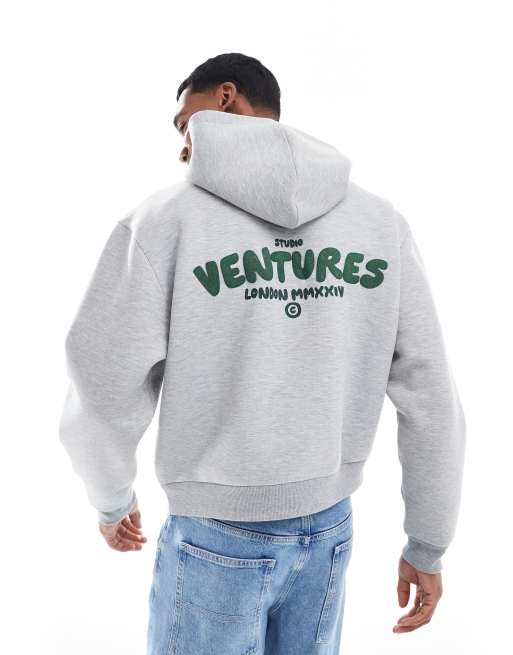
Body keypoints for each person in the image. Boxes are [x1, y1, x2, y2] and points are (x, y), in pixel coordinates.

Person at [59, 52, 466, 654]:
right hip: (330, 529)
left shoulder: (163, 221)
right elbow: (431, 394)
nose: (182, 148)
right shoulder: (378, 223)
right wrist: (428, 543)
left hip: (215, 535)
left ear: (224, 98)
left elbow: (101, 383)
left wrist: (111, 496)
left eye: (184, 124)